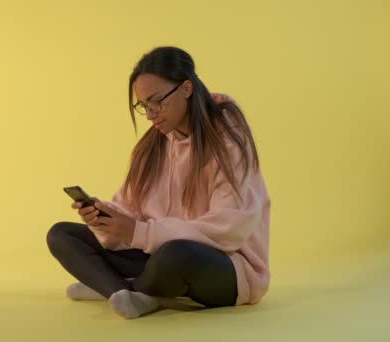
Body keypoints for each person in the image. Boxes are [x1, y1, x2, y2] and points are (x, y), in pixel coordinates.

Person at [46, 46, 271, 319]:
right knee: (62, 234)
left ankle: (113, 286)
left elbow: (229, 229)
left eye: (157, 101)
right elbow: (131, 210)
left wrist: (138, 233)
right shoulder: (154, 145)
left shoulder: (228, 138)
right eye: (143, 106)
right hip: (158, 256)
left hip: (227, 267)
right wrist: (105, 218)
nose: (151, 114)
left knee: (176, 254)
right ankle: (125, 293)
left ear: (186, 88)